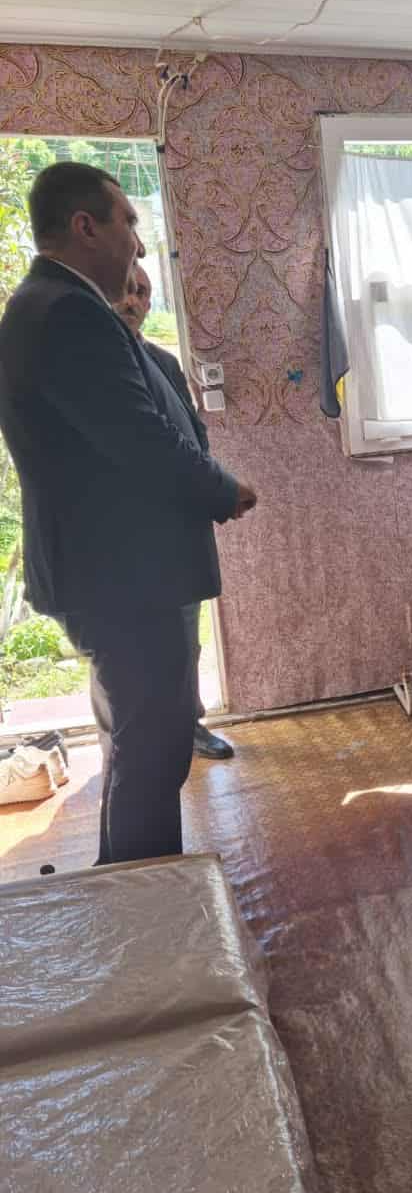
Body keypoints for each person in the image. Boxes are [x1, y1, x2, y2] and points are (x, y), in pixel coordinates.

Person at [0, 162, 256, 865]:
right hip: (125, 577)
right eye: (130, 223)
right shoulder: (67, 313)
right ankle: (147, 905)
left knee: (139, 749)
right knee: (151, 755)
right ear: (85, 227)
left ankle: (131, 892)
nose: (139, 246)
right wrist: (224, 489)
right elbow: (142, 440)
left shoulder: (50, 306)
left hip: (119, 573)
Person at [117, 263, 234, 761]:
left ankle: (189, 724)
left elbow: (193, 434)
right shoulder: (97, 365)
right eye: (124, 290)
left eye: (142, 292)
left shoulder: (163, 361)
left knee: (186, 638)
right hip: (125, 537)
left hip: (178, 528)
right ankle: (144, 735)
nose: (134, 300)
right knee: (131, 650)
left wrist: (210, 488)